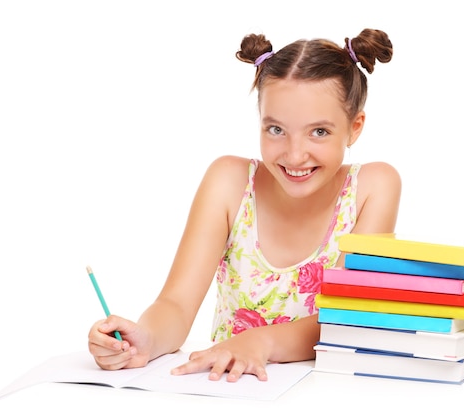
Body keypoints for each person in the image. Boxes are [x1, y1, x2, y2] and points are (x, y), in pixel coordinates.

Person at [88, 28, 401, 382]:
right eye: (276, 129)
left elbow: (343, 319)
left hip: (326, 391)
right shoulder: (230, 182)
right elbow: (176, 303)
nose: (295, 155)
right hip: (231, 391)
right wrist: (146, 338)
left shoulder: (372, 187)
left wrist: (258, 342)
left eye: (319, 132)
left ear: (355, 127)